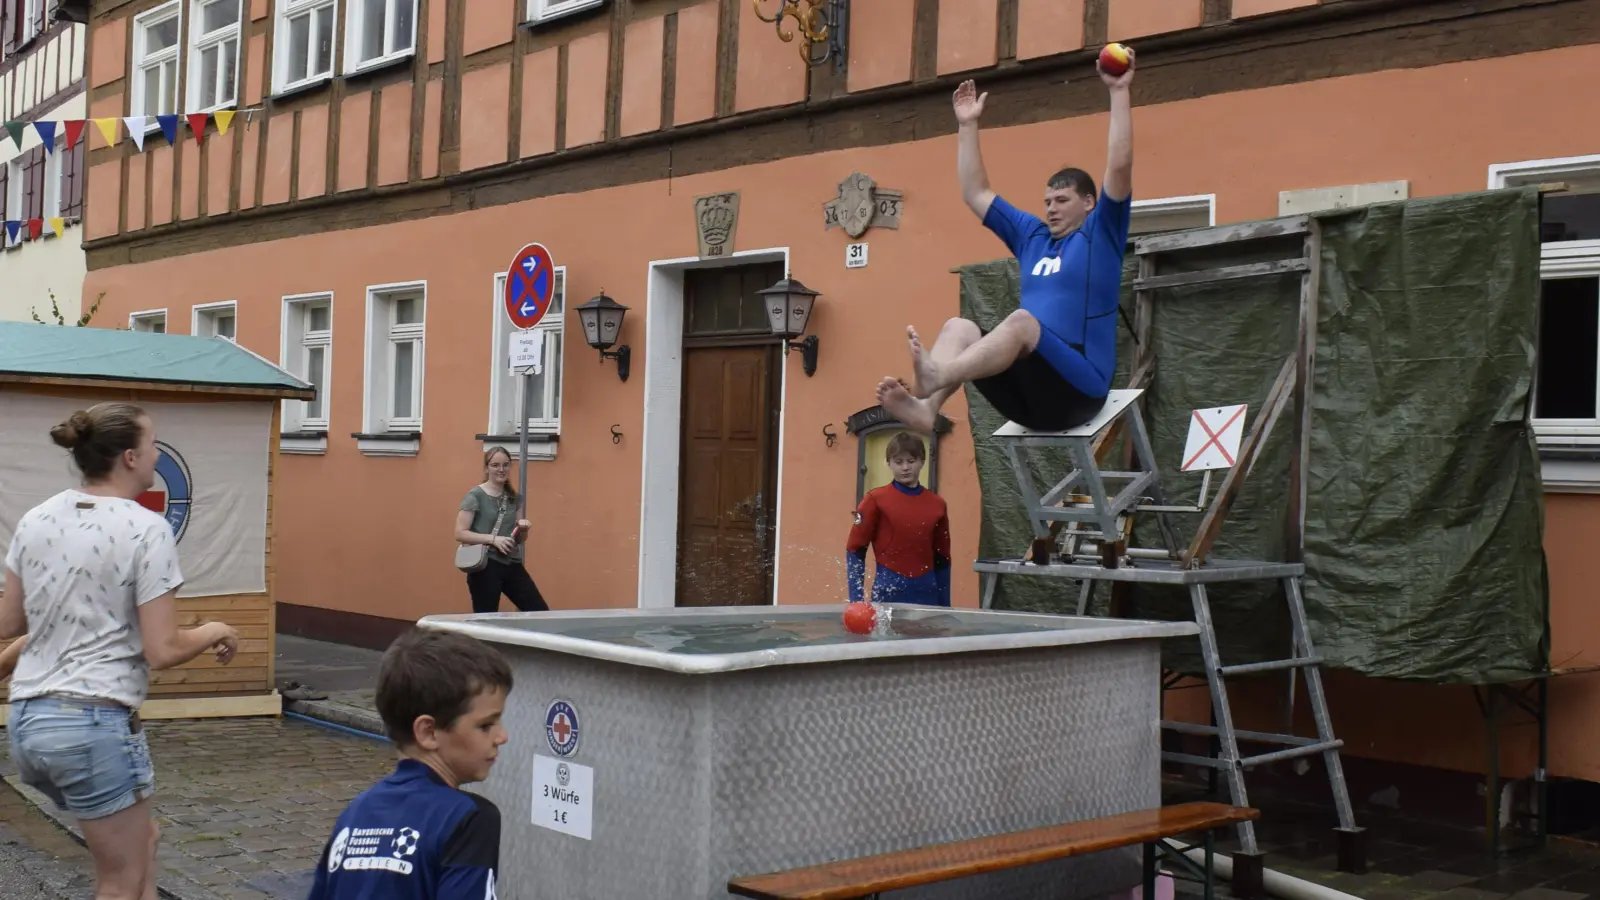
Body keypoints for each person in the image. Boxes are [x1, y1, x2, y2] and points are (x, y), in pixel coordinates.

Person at [1, 402, 239, 900]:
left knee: (141, 844)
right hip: (92, 727)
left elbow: (9, 623)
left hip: (27, 723)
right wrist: (214, 627)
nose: (156, 454)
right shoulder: (145, 528)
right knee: (120, 880)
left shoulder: (37, 518)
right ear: (130, 457)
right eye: (152, 444)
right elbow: (164, 649)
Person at [878, 48, 1138, 435]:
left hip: (1079, 392)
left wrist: (1119, 92)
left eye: (1062, 201)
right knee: (958, 327)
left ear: (1088, 202)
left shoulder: (1101, 233)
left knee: (1020, 322)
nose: (1050, 209)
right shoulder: (1032, 237)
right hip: (1029, 395)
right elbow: (975, 193)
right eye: (1047, 202)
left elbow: (1119, 165)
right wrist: (967, 125)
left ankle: (938, 374)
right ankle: (926, 410)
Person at [307, 628, 512, 900]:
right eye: (485, 725)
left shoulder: (356, 812)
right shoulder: (468, 819)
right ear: (428, 732)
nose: (502, 737)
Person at [846, 432, 953, 607]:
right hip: (887, 595)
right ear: (888, 463)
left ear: (922, 462)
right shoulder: (875, 500)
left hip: (927, 595)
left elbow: (943, 560)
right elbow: (855, 550)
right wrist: (856, 602)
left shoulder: (937, 504)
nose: (905, 467)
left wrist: (946, 609)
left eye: (911, 461)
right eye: (898, 462)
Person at [455, 447, 546, 614]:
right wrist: (493, 539)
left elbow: (518, 540)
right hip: (485, 565)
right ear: (486, 468)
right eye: (495, 465)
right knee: (485, 618)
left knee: (538, 611)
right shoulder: (475, 496)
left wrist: (524, 529)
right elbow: (460, 533)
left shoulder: (514, 498)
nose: (501, 469)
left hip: (511, 563)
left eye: (505, 465)